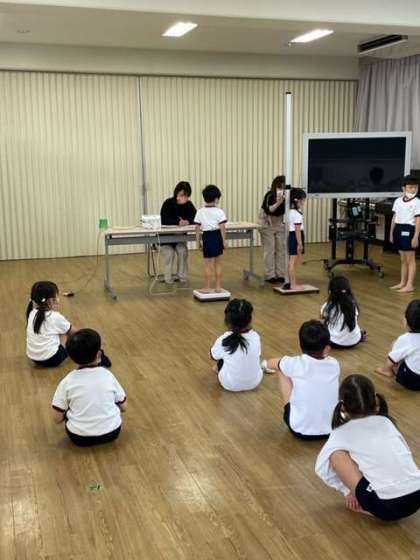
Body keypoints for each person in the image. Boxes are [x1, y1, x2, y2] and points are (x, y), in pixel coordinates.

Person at [315, 375, 420, 521]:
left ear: (343, 407)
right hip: (417, 495)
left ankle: (369, 508)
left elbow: (322, 468)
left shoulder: (340, 433)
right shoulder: (386, 422)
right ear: (375, 402)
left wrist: (347, 491)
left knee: (336, 454)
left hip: (386, 507)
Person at [51, 328, 127, 447]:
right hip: (113, 433)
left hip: (79, 438)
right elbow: (124, 406)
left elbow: (57, 419)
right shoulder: (108, 375)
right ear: (99, 354)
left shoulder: (67, 381)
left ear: (70, 356)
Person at [266, 320, 339, 440]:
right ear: (327, 348)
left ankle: (294, 409)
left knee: (281, 369)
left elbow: (272, 363)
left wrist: (263, 365)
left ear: (300, 344)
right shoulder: (335, 364)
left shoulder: (295, 363)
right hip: (330, 430)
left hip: (300, 430)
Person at [210, 299, 263, 392]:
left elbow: (212, 356)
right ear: (250, 319)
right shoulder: (255, 336)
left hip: (229, 384)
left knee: (220, 359)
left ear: (227, 319)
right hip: (255, 382)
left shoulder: (223, 339)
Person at [26, 281, 76, 367]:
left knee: (57, 330)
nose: (58, 299)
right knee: (64, 333)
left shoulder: (31, 312)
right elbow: (74, 332)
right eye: (56, 296)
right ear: (50, 300)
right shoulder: (54, 316)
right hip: (53, 359)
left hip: (34, 358)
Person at [376, 299, 420, 390]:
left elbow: (391, 359)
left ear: (406, 321)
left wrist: (385, 369)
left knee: (394, 345)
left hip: (413, 380)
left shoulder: (406, 339)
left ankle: (387, 371)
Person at [160, 181, 197, 285]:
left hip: (180, 239)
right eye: (181, 195)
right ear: (176, 193)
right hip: (166, 239)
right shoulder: (168, 203)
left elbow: (196, 218)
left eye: (185, 196)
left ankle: (182, 277)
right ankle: (168, 278)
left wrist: (188, 221)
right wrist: (178, 222)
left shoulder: (189, 205)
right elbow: (163, 220)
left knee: (182, 250)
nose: (183, 197)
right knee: (169, 253)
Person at [194, 184, 227, 293]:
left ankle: (207, 287)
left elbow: (197, 228)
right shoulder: (219, 212)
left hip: (207, 237)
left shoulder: (200, 211)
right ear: (216, 199)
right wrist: (224, 241)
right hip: (217, 236)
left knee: (207, 264)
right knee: (218, 263)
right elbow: (222, 227)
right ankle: (218, 286)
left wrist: (198, 242)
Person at [390, 174, 420, 293]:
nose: (413, 190)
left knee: (410, 259)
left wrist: (416, 236)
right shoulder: (398, 201)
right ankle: (403, 282)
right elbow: (394, 217)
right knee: (403, 259)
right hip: (398, 229)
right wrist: (391, 233)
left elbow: (418, 220)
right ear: (404, 188)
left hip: (409, 230)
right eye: (410, 187)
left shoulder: (417, 202)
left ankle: (409, 285)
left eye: (415, 187)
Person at [321, 275, 367, 349]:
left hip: (334, 343)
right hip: (354, 342)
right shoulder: (353, 304)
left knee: (321, 326)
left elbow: (322, 316)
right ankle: (359, 335)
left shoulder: (328, 306)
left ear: (330, 292)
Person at [259, 175, 286, 283]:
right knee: (269, 249)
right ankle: (269, 275)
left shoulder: (288, 196)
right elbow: (269, 210)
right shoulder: (269, 195)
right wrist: (278, 202)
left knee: (281, 249)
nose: (281, 190)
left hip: (279, 223)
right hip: (267, 223)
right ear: (275, 186)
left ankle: (280, 274)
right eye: (279, 187)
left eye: (283, 187)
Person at [284, 188, 307, 290]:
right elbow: (297, 229)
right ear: (297, 200)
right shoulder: (297, 214)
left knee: (292, 262)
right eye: (303, 199)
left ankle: (293, 283)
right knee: (293, 262)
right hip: (296, 237)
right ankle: (293, 284)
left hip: (292, 236)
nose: (304, 202)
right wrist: (300, 243)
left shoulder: (289, 212)